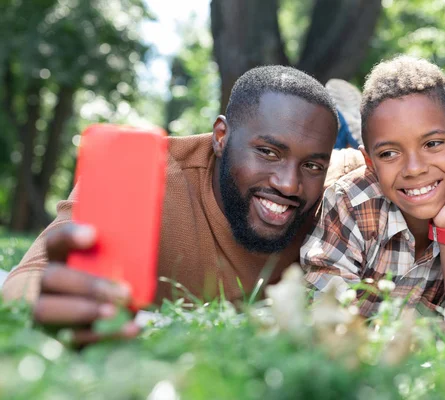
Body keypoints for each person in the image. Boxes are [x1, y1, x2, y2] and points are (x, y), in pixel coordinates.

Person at [2, 65, 364, 344]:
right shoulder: (144, 176)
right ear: (221, 137)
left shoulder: (334, 190)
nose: (288, 184)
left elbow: (404, 170)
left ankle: (348, 129)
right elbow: (31, 277)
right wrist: (46, 298)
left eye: (312, 164)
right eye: (267, 152)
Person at [301, 56, 445, 332]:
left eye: (432, 144)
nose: (414, 168)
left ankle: (359, 132)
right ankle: (349, 135)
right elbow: (327, 316)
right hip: (344, 174)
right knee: (333, 165)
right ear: (371, 162)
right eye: (389, 153)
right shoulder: (349, 202)